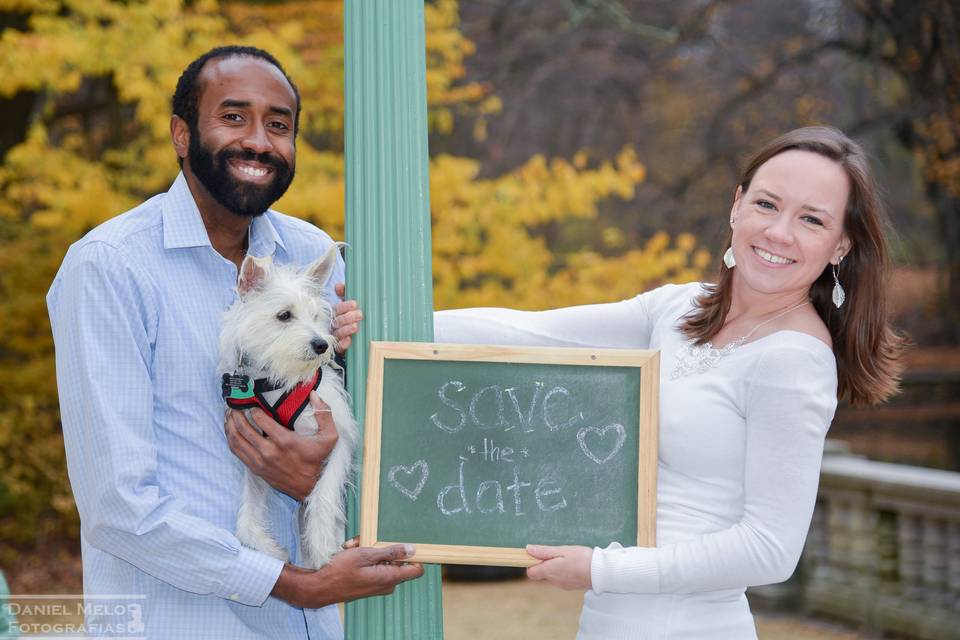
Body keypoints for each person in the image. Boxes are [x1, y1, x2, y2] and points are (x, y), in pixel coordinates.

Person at [434, 126, 905, 639]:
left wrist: (601, 570)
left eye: (811, 219)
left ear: (840, 245)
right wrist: (388, 321)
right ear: (737, 205)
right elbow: (531, 331)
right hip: (607, 623)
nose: (779, 232)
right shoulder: (679, 307)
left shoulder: (793, 362)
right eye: (768, 205)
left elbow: (770, 549)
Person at [47, 46, 419, 640]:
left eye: (279, 125)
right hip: (178, 623)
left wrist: (334, 396)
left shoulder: (312, 254)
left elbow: (352, 434)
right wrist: (295, 583)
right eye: (233, 117)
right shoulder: (109, 268)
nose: (259, 141)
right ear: (181, 133)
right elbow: (119, 506)